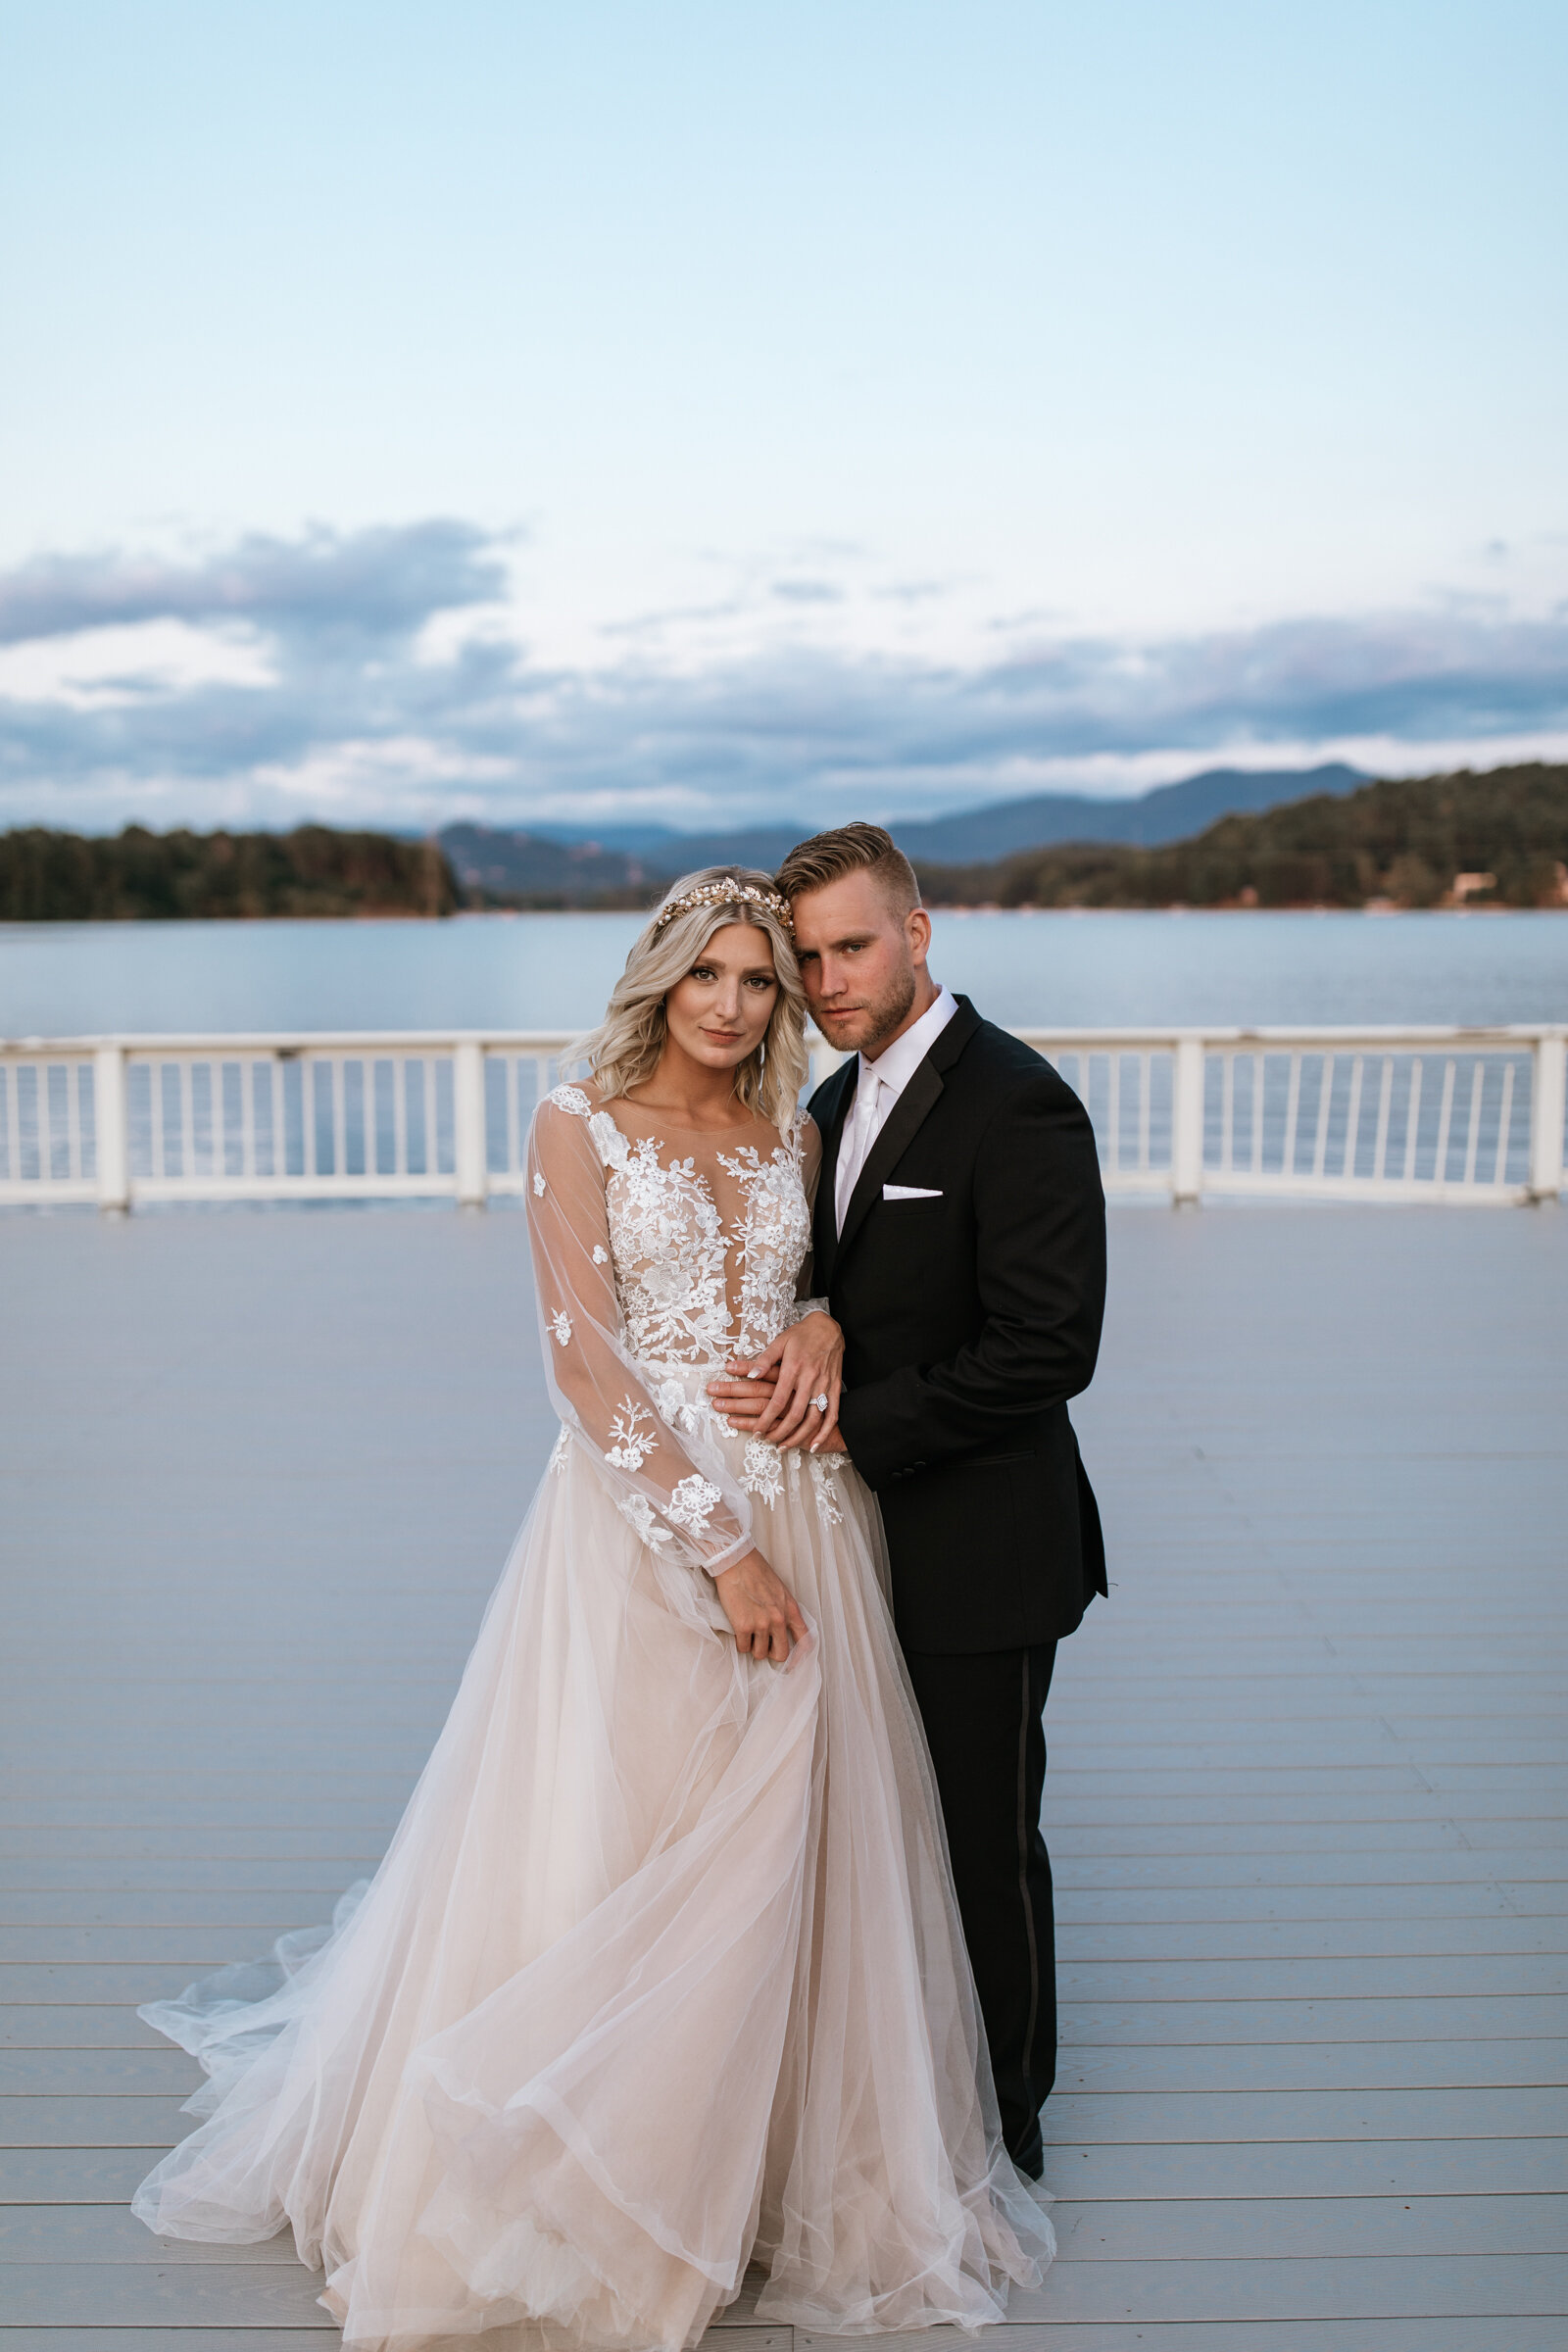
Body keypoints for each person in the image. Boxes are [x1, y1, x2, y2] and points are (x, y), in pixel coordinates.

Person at [130, 868, 1053, 2352]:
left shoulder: (791, 1126)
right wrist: (719, 1546)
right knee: (632, 1831)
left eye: (764, 980)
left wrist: (819, 1318)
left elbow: (843, 1287)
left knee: (789, 1835)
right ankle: (592, 2177)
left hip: (814, 1502)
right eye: (713, 975)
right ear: (660, 973)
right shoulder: (578, 1123)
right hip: (647, 1520)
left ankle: (749, 2179)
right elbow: (586, 1366)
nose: (738, 1005)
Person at [710, 826, 1106, 2179]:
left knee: (980, 1832)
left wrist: (853, 1425)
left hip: (981, 1538)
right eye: (807, 958)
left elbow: (1052, 1347)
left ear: (920, 932)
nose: (826, 981)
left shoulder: (1018, 1101)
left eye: (852, 947)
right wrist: (813, 1327)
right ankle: (894, 2089)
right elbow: (835, 1283)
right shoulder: (824, 1109)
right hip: (848, 1540)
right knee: (871, 1821)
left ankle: (1008, 2114)